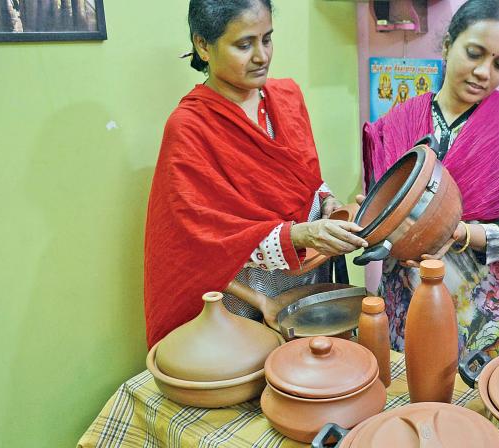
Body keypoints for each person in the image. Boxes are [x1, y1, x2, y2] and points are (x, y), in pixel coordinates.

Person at [143, 0, 366, 348]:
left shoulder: (287, 97)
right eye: (244, 44)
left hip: (307, 284)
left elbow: (305, 179)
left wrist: (327, 201)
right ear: (203, 44)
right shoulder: (189, 128)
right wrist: (268, 294)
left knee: (313, 369)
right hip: (243, 301)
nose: (262, 56)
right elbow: (195, 246)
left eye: (267, 39)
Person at [362, 0, 499, 359]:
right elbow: (383, 203)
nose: (484, 72)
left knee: (474, 407)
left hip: (478, 311)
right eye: (474, 53)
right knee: (408, 401)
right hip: (404, 298)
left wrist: (462, 234)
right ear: (447, 44)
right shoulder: (398, 123)